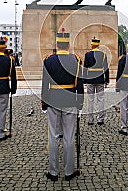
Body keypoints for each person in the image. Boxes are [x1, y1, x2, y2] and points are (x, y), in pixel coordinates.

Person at [41, 29, 84, 181]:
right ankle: (69, 171)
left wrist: (44, 102)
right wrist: (80, 103)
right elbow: (80, 84)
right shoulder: (76, 60)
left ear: (57, 44)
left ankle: (53, 172)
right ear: (68, 44)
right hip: (70, 100)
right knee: (69, 136)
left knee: (53, 136)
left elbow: (45, 83)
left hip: (53, 100)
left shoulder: (48, 61)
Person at [84, 36, 109, 125]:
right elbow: (106, 68)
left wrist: (84, 80)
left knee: (90, 100)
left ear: (92, 46)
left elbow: (85, 68)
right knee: (101, 99)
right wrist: (107, 80)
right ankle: (100, 119)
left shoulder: (87, 55)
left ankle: (91, 120)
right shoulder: (103, 55)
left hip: (90, 79)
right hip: (100, 79)